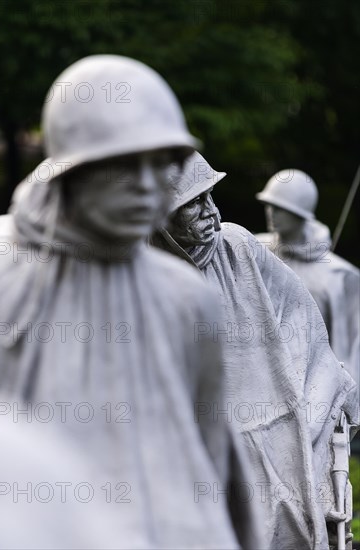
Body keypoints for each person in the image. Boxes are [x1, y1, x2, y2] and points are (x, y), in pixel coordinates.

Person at [0, 56, 259, 549]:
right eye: (124, 164)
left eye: (161, 164)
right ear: (71, 169)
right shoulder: (0, 271)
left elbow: (212, 453)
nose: (146, 184)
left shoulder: (186, 298)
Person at [153, 151, 359, 549]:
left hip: (273, 418)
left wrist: (326, 394)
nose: (211, 212)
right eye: (193, 203)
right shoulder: (145, 277)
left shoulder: (239, 246)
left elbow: (305, 328)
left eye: (210, 196)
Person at [255, 169, 360, 397]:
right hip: (259, 382)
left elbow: (349, 348)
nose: (271, 213)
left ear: (299, 212)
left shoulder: (338, 276)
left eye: (280, 208)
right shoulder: (253, 254)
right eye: (269, 205)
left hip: (312, 391)